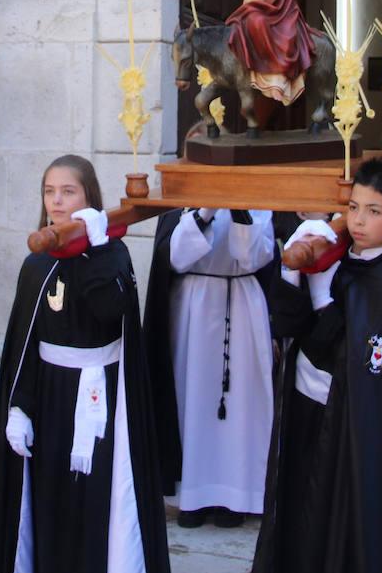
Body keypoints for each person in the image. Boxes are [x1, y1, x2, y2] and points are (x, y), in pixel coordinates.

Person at [0, 155, 170, 573]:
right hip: (51, 400)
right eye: (50, 191)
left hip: (102, 397)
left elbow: (108, 311)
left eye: (68, 191)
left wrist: (98, 247)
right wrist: (20, 406)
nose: (57, 201)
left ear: (89, 197)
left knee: (95, 498)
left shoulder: (114, 256)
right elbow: (24, 346)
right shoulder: (36, 263)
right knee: (51, 496)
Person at [253, 159, 382, 573]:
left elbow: (368, 364)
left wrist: (324, 309)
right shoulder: (341, 258)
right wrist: (291, 272)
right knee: (303, 499)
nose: (359, 220)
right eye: (353, 208)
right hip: (309, 401)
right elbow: (294, 324)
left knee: (339, 506)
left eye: (374, 211)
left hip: (352, 422)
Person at [144, 206, 277, 528]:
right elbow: (174, 257)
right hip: (194, 309)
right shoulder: (183, 203)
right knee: (193, 401)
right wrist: (203, 213)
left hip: (242, 303)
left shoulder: (258, 206)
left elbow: (255, 258)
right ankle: (192, 496)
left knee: (242, 407)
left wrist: (238, 211)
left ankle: (237, 497)